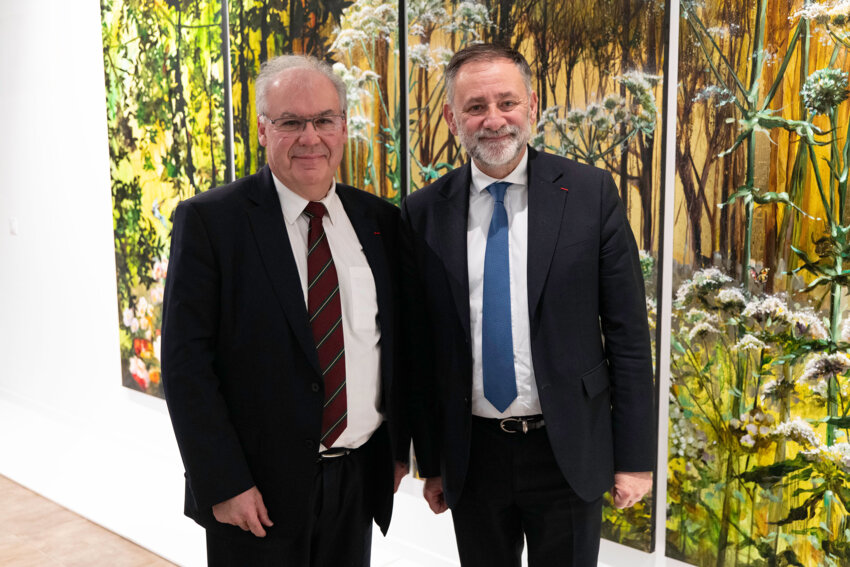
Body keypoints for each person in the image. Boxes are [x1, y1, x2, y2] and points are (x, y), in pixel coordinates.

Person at [400, 44, 655, 567]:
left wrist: (634, 459)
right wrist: (433, 462)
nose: (493, 119)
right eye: (475, 107)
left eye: (506, 102)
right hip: (474, 456)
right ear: (452, 118)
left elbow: (628, 335)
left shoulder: (590, 193)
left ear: (532, 106)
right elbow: (420, 351)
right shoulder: (423, 211)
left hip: (565, 450)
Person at [161, 54, 408, 567]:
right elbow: (186, 369)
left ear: (343, 127)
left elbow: (398, 344)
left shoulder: (379, 221)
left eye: (323, 120)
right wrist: (223, 482)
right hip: (256, 496)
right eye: (291, 122)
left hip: (356, 481)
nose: (309, 137)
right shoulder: (212, 222)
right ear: (262, 130)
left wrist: (399, 449)